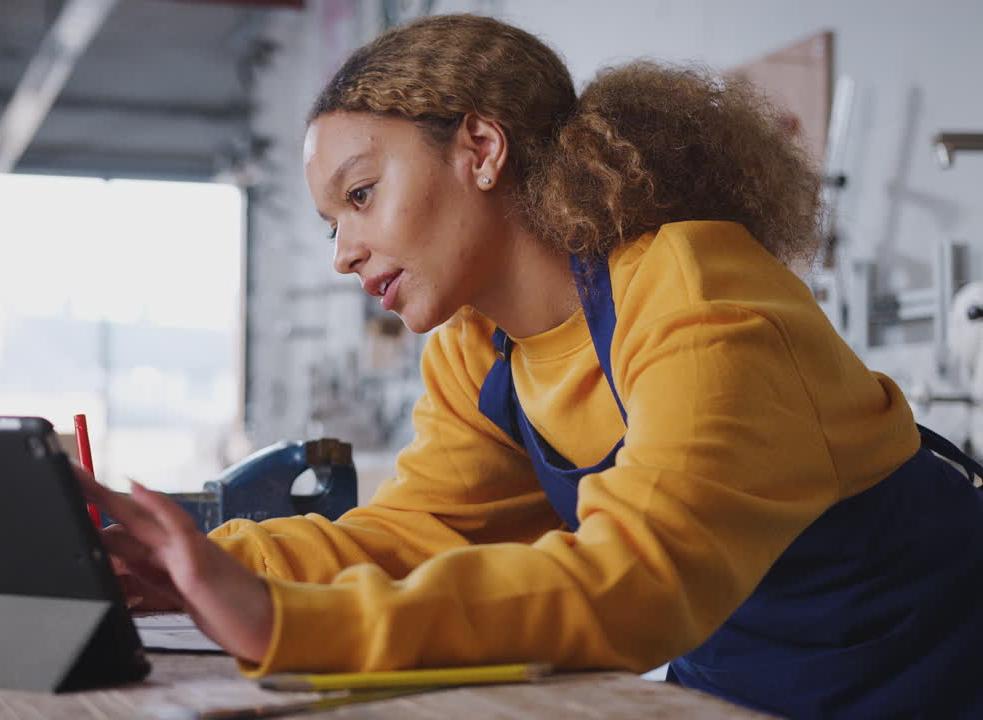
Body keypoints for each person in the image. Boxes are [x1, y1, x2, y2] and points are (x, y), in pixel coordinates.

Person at [75, 13, 983, 718]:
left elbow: (635, 581)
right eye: (332, 222)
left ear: (481, 147)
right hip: (736, 675)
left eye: (360, 195)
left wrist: (292, 623)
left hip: (929, 673)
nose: (343, 252)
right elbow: (422, 535)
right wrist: (202, 563)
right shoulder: (478, 348)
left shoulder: (699, 294)